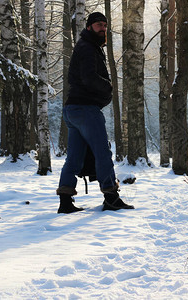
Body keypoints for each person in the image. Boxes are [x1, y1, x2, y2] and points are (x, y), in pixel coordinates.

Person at [57, 12, 134, 213]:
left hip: (73, 109)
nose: (103, 28)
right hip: (85, 109)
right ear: (90, 27)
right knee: (102, 152)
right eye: (99, 25)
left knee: (74, 157)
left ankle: (65, 202)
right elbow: (89, 78)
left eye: (105, 26)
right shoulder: (87, 48)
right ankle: (111, 197)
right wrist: (108, 87)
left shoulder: (88, 47)